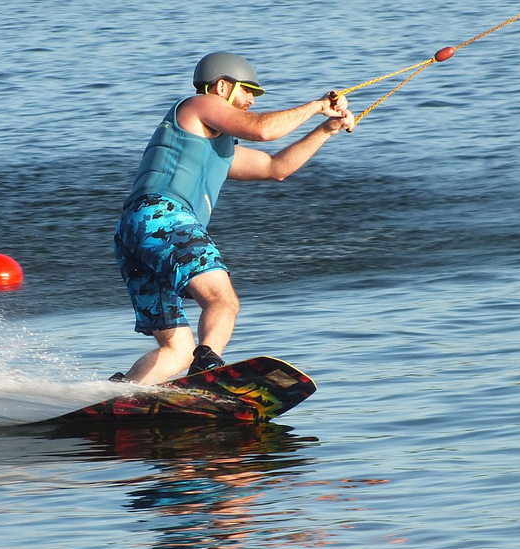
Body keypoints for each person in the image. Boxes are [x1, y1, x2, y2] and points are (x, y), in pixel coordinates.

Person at [112, 51, 355, 385]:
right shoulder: (198, 105)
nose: (251, 101)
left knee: (177, 348)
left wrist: (326, 129)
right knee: (222, 300)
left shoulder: (216, 148)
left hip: (133, 232)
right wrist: (316, 106)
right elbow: (262, 130)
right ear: (222, 86)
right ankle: (207, 371)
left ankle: (120, 396)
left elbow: (276, 168)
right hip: (162, 215)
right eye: (247, 91)